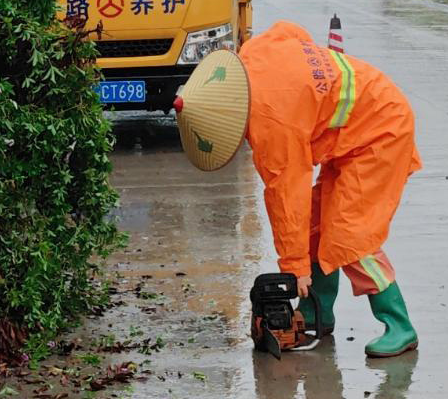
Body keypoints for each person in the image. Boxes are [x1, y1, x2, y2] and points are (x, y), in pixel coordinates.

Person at [173, 19, 420, 357]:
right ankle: (318, 314)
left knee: (352, 238)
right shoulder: (253, 54)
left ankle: (400, 326)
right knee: (316, 229)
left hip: (382, 132)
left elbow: (288, 199)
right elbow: (291, 31)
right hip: (354, 128)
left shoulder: (273, 125)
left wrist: (295, 270)